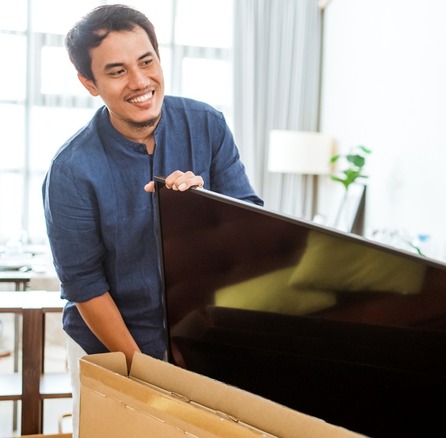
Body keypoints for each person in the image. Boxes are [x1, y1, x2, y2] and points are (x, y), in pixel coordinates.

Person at [42, 4, 263, 434]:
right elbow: (86, 287)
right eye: (117, 71)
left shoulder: (208, 125)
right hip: (110, 346)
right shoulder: (70, 171)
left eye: (147, 62)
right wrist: (146, 374)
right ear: (89, 83)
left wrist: (207, 208)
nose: (140, 82)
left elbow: (253, 233)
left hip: (201, 340)